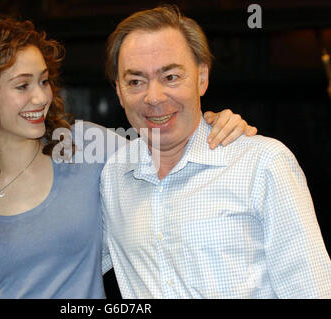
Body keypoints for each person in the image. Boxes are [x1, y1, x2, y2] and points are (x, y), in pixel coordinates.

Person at [0, 16, 255, 298]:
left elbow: (168, 150)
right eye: (22, 86)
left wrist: (213, 121)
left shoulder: (85, 144)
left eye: (44, 80)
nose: (41, 97)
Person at [99, 5, 331, 298]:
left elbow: (312, 289)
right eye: (135, 81)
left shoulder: (262, 163)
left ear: (202, 77)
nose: (154, 97)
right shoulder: (114, 175)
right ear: (119, 92)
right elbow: (68, 261)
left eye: (171, 77)